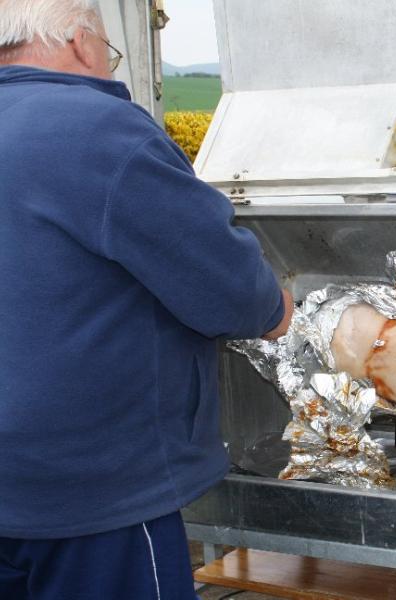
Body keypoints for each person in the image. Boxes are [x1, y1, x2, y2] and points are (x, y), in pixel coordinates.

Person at [0, 1, 293, 598]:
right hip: (91, 495)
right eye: (109, 53)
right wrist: (279, 308)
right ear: (80, 41)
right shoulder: (96, 128)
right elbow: (230, 289)